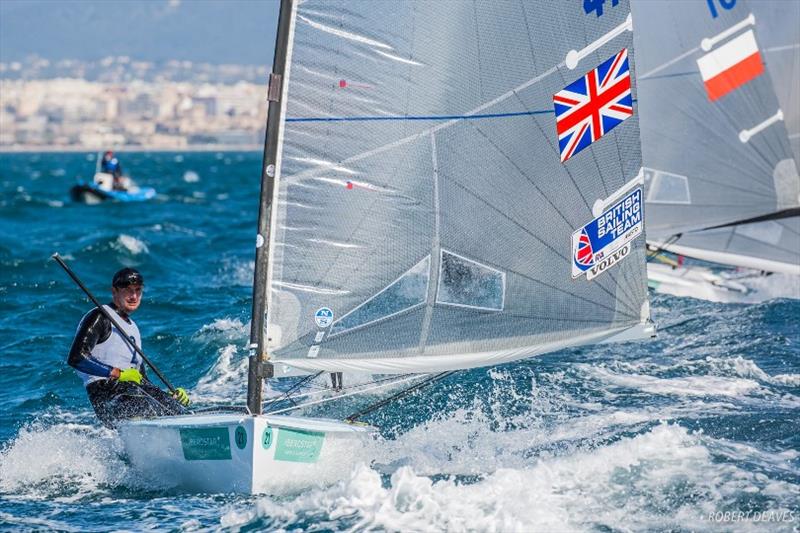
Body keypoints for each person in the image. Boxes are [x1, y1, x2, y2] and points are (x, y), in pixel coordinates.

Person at [67, 267, 191, 428]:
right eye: (128, 290)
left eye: (138, 291)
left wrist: (167, 396)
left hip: (135, 392)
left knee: (178, 409)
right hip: (108, 395)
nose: (134, 296)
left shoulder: (133, 328)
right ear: (114, 291)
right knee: (141, 406)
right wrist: (117, 373)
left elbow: (142, 380)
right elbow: (77, 357)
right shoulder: (101, 316)